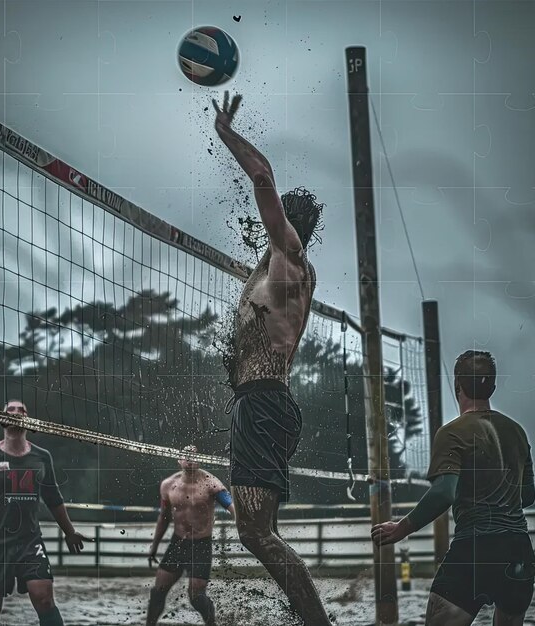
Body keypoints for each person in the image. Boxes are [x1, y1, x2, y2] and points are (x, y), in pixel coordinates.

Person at [212, 92, 333, 625]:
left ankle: (316, 622)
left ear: (287, 222)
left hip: (265, 404)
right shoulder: (268, 270)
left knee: (256, 533)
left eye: (276, 215)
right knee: (252, 531)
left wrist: (226, 133)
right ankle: (305, 617)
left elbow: (262, 176)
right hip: (255, 403)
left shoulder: (290, 257)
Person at [372, 350, 535, 626]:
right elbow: (528, 496)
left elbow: (443, 493)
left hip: (476, 548)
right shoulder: (518, 432)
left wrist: (401, 529)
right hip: (519, 551)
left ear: (457, 385)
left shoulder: (452, 433)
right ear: (492, 387)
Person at [0, 400, 91, 626]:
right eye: (11, 410)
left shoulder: (42, 456)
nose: (16, 413)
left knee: (44, 599)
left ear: (29, 420)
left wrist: (70, 531)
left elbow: (53, 498)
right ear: (1, 419)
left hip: (29, 540)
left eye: (22, 410)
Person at [146, 445, 235, 626]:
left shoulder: (212, 483)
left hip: (201, 545)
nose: (190, 459)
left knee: (196, 597)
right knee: (158, 591)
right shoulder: (168, 485)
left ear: (200, 458)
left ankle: (212, 624)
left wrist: (241, 523)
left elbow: (232, 507)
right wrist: (154, 546)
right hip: (178, 543)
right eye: (185, 455)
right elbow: (163, 518)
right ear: (179, 460)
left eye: (193, 455)